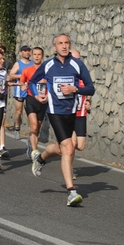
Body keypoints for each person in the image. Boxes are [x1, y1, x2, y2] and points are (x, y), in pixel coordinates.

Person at [29, 33, 95, 207]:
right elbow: (32, 82)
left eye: (67, 43)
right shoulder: (48, 65)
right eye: (60, 43)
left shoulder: (77, 64)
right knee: (68, 148)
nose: (64, 46)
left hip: (72, 112)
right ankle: (71, 192)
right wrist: (37, 95)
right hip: (55, 112)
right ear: (54, 47)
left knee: (61, 148)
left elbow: (91, 88)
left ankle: (41, 159)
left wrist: (75, 89)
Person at [20, 47, 47, 160]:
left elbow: (52, 81)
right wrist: (23, 86)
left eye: (39, 54)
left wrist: (46, 81)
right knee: (34, 126)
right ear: (31, 56)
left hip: (43, 100)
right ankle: (35, 152)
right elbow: (22, 82)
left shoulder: (47, 70)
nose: (36, 56)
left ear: (42, 56)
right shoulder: (27, 70)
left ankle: (30, 142)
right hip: (31, 98)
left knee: (37, 128)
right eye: (34, 54)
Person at [70, 49, 92, 180]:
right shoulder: (66, 74)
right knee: (71, 144)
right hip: (68, 113)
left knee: (81, 146)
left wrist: (88, 100)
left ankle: (59, 149)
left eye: (79, 59)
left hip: (81, 113)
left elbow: (89, 89)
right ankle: (69, 169)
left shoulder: (83, 74)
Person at [9, 45, 33, 139]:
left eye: (28, 51)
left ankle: (32, 131)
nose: (27, 52)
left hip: (30, 90)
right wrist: (23, 75)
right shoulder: (18, 64)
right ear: (21, 53)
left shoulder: (32, 63)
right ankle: (17, 128)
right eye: (25, 51)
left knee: (31, 112)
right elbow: (11, 75)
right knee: (19, 111)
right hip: (19, 90)